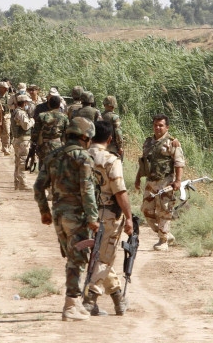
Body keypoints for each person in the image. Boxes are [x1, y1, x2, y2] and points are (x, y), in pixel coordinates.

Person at [33, 117, 98, 321]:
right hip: (76, 216)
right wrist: (93, 218)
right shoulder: (83, 158)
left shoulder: (53, 156)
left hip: (58, 214)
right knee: (77, 259)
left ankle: (75, 302)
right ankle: (70, 305)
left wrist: (44, 210)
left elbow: (38, 186)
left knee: (72, 258)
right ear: (84, 137)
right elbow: (87, 190)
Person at [84, 121, 133, 316]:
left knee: (99, 257)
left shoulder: (81, 157)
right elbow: (119, 191)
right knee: (104, 257)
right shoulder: (111, 160)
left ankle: (118, 298)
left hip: (83, 215)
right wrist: (128, 217)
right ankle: (90, 300)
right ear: (110, 139)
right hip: (107, 215)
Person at [135, 114, 185, 251]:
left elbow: (179, 162)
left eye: (161, 125)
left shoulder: (172, 142)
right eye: (155, 125)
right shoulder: (148, 142)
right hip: (150, 182)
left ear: (167, 127)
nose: (157, 128)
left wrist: (178, 181)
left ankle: (163, 241)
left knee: (164, 210)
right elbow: (143, 163)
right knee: (146, 211)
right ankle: (165, 234)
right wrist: (138, 178)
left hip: (165, 182)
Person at [33, 95, 69, 161]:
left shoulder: (41, 116)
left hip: (43, 146)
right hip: (58, 146)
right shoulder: (64, 117)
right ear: (59, 105)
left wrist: (34, 145)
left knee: (43, 167)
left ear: (49, 104)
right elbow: (67, 133)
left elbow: (35, 132)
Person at [12, 94, 35, 190]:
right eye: (27, 103)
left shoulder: (16, 111)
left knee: (18, 161)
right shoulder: (21, 113)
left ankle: (17, 183)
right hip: (23, 140)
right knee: (23, 161)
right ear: (24, 103)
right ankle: (23, 184)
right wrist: (32, 121)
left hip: (19, 140)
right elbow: (25, 126)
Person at [0, 82, 12, 156]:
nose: (6, 89)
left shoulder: (9, 96)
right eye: (4, 88)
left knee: (7, 132)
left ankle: (6, 148)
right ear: (0, 88)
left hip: (6, 115)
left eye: (7, 88)